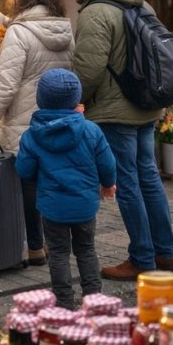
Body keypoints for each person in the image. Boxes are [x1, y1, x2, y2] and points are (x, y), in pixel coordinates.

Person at [62, 0, 173, 280]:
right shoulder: (140, 3)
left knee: (127, 182)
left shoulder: (96, 12)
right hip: (145, 103)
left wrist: (74, 99)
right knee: (149, 177)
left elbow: (89, 67)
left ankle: (142, 257)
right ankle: (165, 254)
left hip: (116, 111)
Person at [0, 0, 75, 265]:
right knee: (54, 180)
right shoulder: (64, 29)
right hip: (57, 117)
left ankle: (34, 247)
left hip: (25, 123)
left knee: (29, 184)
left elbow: (6, 83)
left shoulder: (19, 32)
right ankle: (55, 243)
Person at [15, 68, 117, 310]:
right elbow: (108, 164)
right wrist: (108, 184)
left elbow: (25, 171)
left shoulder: (31, 136)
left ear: (41, 99)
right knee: (86, 249)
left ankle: (63, 301)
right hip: (85, 205)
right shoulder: (91, 131)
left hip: (52, 208)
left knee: (59, 253)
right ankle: (93, 298)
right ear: (76, 99)